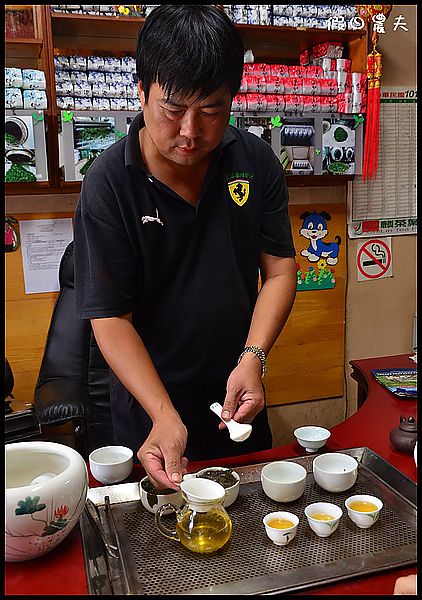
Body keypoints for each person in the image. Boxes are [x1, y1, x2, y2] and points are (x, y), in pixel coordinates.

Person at [74, 5, 297, 490]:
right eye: (173, 110)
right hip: (150, 410)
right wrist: (162, 412)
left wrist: (253, 357)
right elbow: (109, 316)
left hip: (238, 394)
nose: (191, 132)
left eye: (212, 110)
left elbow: (280, 271)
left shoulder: (255, 162)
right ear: (141, 92)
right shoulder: (109, 183)